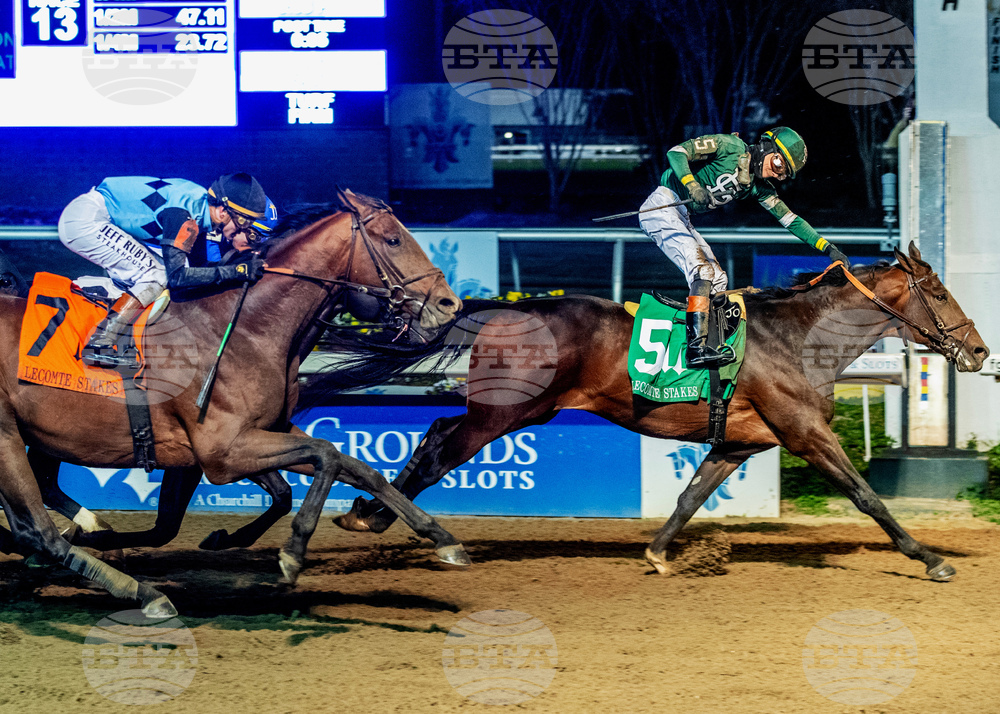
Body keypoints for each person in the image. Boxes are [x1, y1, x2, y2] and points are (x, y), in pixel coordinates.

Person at [639, 127, 851, 368]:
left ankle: (711, 343)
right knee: (703, 271)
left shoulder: (758, 188)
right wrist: (692, 185)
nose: (776, 174)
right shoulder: (730, 146)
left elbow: (791, 220)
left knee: (719, 279)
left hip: (682, 216)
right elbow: (676, 152)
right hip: (661, 206)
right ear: (766, 147)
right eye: (779, 164)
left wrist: (829, 248)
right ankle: (695, 349)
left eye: (783, 174)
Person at [58, 173, 270, 368]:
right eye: (243, 221)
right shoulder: (185, 217)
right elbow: (178, 278)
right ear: (223, 211)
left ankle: (118, 331)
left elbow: (196, 271)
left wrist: (240, 268)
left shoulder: (199, 208)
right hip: (86, 220)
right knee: (157, 274)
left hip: (97, 215)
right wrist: (239, 271)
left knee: (158, 271)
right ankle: (100, 342)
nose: (243, 230)